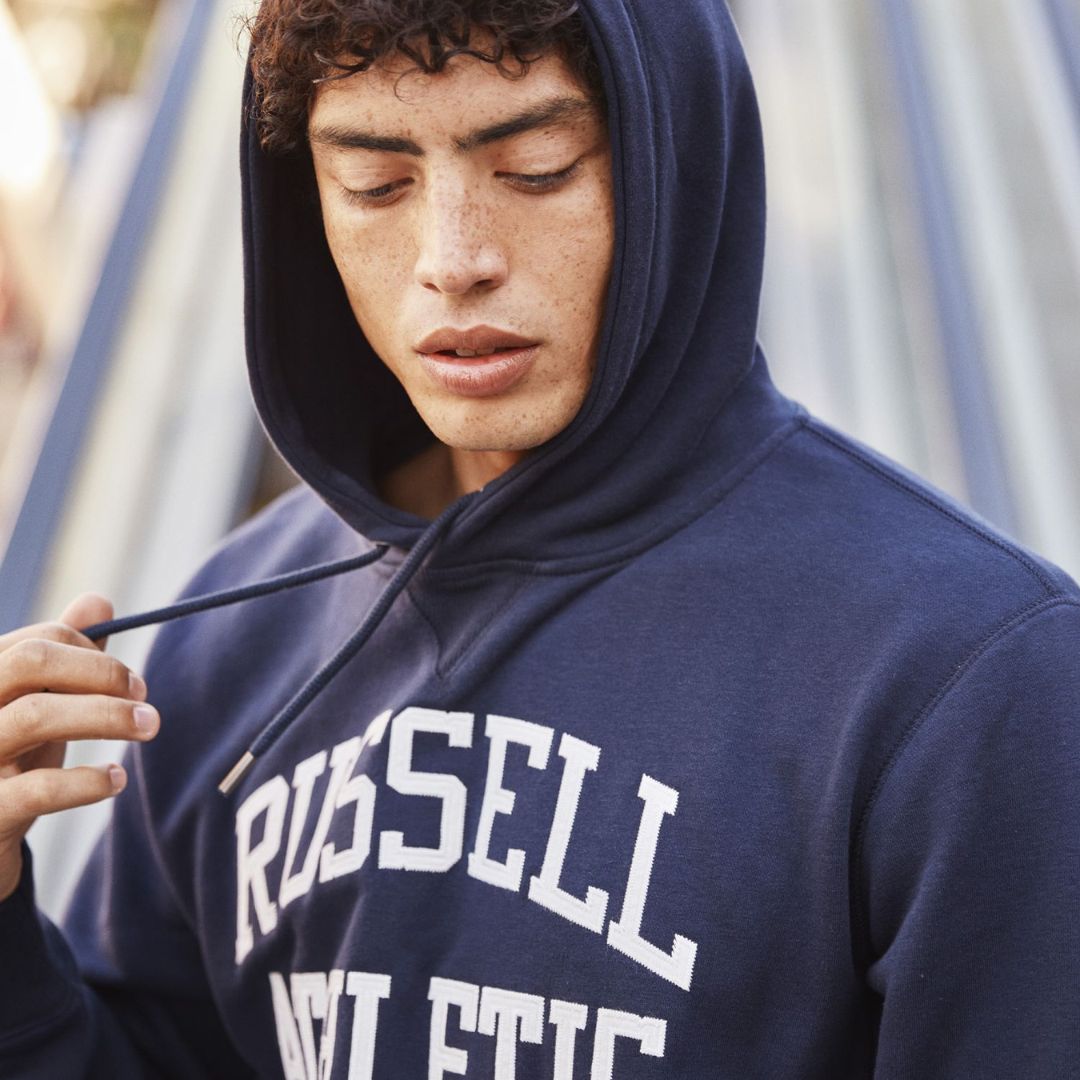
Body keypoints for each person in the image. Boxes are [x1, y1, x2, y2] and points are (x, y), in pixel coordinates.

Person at [1, 0, 1078, 1075]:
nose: (453, 258)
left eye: (536, 169)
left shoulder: (968, 675)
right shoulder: (229, 640)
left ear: (669, 160)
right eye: (374, 183)